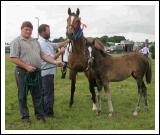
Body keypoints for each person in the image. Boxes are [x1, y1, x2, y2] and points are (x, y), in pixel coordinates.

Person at [9, 21, 64, 123]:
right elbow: (12, 58)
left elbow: (43, 55)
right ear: (21, 29)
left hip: (36, 71)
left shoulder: (35, 41)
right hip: (22, 72)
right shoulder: (16, 41)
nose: (28, 31)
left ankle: (40, 116)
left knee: (37, 94)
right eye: (26, 29)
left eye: (30, 30)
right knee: (23, 95)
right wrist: (26, 66)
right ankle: (25, 118)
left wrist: (55, 62)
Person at [38, 24, 70, 117]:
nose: (50, 32)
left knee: (46, 93)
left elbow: (57, 45)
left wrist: (67, 40)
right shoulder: (42, 43)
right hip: (46, 72)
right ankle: (48, 113)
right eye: (48, 30)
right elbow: (50, 58)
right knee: (48, 93)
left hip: (49, 72)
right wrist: (60, 52)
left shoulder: (46, 42)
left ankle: (44, 111)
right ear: (43, 32)